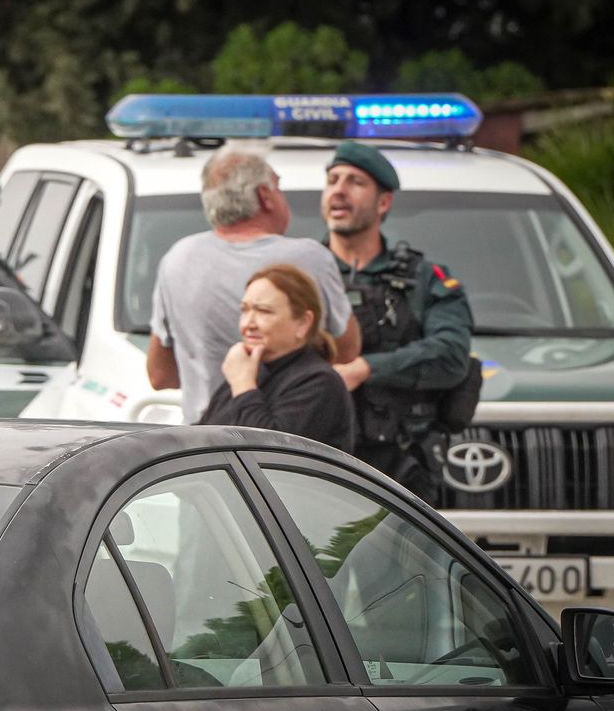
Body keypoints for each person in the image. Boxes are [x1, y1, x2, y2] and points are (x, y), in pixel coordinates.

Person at [148, 144, 361, 423]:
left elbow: (160, 374)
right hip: (290, 433)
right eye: (278, 187)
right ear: (265, 196)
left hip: (201, 447)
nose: (248, 323)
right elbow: (345, 351)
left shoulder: (177, 258)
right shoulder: (310, 258)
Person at [322, 141, 474, 498]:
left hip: (402, 474)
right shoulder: (299, 274)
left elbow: (451, 354)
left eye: (355, 182)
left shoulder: (424, 279)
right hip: (315, 464)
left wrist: (367, 369)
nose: (339, 191)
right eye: (332, 180)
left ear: (384, 202)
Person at [199, 265, 355, 452]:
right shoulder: (251, 372)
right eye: (245, 310)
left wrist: (243, 386)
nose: (249, 324)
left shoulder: (320, 382)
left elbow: (268, 452)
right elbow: (201, 437)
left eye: (263, 311)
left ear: (303, 323)